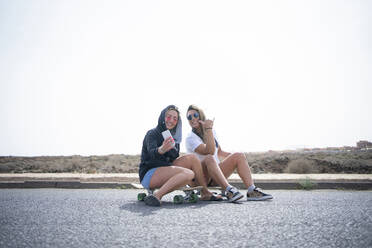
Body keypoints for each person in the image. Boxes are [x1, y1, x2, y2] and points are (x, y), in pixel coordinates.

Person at [185, 105, 273, 201]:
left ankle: (252, 191)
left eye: (195, 115)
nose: (192, 119)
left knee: (239, 155)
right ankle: (229, 190)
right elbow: (209, 151)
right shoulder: (190, 138)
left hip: (215, 174)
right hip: (201, 178)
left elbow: (219, 152)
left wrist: (238, 160)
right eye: (189, 117)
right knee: (209, 158)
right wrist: (208, 129)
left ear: (201, 116)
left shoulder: (211, 132)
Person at [139, 105, 221, 206]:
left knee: (192, 158)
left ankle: (205, 192)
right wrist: (161, 149)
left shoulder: (174, 137)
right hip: (149, 173)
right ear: (162, 117)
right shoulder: (152, 133)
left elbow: (174, 157)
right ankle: (157, 195)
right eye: (168, 117)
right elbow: (151, 153)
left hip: (164, 169)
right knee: (189, 174)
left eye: (175, 119)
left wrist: (171, 148)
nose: (171, 120)